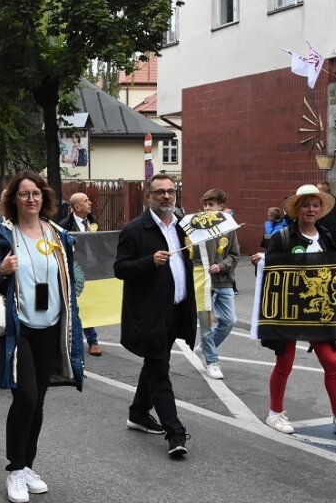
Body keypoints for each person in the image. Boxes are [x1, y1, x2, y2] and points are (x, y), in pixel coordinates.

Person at [0, 170, 83, 503]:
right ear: (13, 200)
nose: (31, 199)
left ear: (44, 198)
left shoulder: (59, 234)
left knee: (40, 401)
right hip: (18, 327)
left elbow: (72, 278)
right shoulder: (3, 235)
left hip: (51, 326)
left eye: (36, 194)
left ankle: (27, 465)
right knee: (26, 398)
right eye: (24, 194)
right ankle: (15, 469)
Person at [257, 184, 336, 437]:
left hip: (319, 311)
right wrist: (261, 262)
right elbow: (271, 269)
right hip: (289, 311)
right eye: (306, 205)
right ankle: (275, 414)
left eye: (315, 205)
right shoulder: (283, 237)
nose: (311, 210)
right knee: (285, 362)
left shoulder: (324, 235)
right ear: (297, 210)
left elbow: (334, 269)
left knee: (331, 362)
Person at [113, 174, 196, 458]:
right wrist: (150, 261)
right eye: (160, 192)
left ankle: (138, 413)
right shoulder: (136, 230)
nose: (166, 197)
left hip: (177, 309)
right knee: (160, 369)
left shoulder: (184, 227)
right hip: (151, 315)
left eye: (171, 192)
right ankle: (175, 432)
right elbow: (120, 269)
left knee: (155, 363)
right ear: (149, 197)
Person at [193, 189, 239, 380]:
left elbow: (234, 255)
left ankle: (204, 347)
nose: (206, 209)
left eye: (211, 205)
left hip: (224, 281)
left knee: (229, 321)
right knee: (206, 324)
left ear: (221, 207)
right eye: (205, 205)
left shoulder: (229, 228)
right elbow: (191, 256)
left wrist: (221, 266)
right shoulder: (196, 227)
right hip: (204, 283)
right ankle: (212, 361)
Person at [58, 192, 102, 356]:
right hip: (77, 271)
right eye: (86, 200)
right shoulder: (65, 225)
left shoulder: (93, 220)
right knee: (80, 305)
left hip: (93, 268)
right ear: (77, 207)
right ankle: (92, 341)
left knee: (91, 302)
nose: (90, 202)